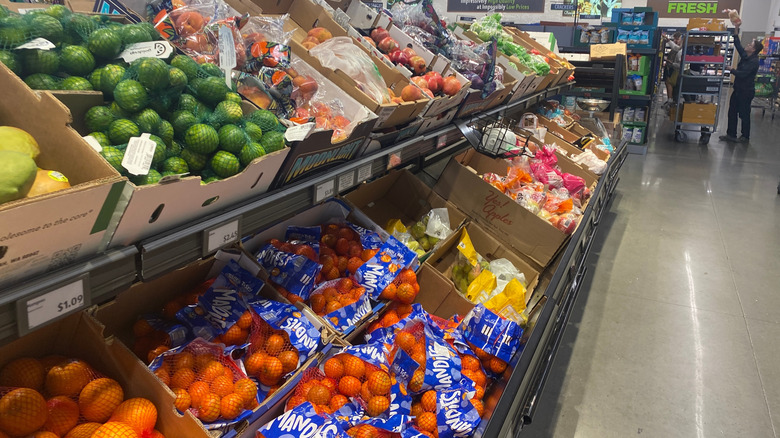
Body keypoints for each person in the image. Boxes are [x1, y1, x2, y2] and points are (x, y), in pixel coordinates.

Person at [720, 23, 762, 143]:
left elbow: (742, 74)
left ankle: (745, 136)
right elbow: (738, 46)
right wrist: (736, 30)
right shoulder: (746, 56)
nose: (747, 45)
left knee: (744, 114)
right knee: (732, 111)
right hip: (738, 90)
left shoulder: (753, 62)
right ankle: (731, 134)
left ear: (753, 50)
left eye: (750, 44)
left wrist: (731, 69)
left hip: (746, 92)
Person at [662, 32, 683, 107]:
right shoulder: (678, 48)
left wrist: (671, 63)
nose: (676, 41)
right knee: (668, 83)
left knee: (670, 83)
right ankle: (671, 100)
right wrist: (668, 40)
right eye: (675, 39)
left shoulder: (681, 50)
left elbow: (681, 65)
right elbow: (675, 47)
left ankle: (671, 101)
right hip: (670, 68)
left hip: (675, 70)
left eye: (678, 39)